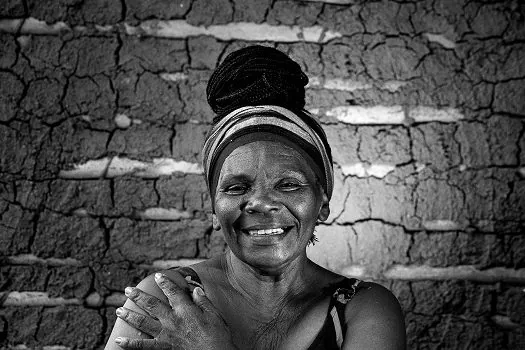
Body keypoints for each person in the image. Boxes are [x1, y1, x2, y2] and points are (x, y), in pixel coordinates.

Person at [105, 45, 406, 350]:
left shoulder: (362, 308)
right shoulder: (167, 301)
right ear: (214, 209)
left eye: (289, 184)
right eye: (236, 188)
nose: (261, 203)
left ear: (322, 204)